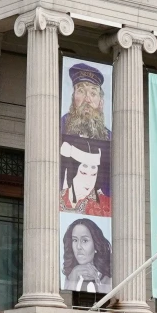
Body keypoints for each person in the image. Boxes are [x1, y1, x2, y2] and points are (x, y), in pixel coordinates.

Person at [60, 61, 111, 216]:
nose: (87, 99)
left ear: (100, 103)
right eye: (81, 91)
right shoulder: (58, 127)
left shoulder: (110, 137)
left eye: (93, 93)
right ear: (73, 97)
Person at [61, 218, 112, 295]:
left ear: (96, 244)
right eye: (75, 240)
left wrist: (97, 281)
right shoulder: (69, 277)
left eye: (84, 240)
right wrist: (73, 277)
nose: (78, 247)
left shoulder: (108, 279)